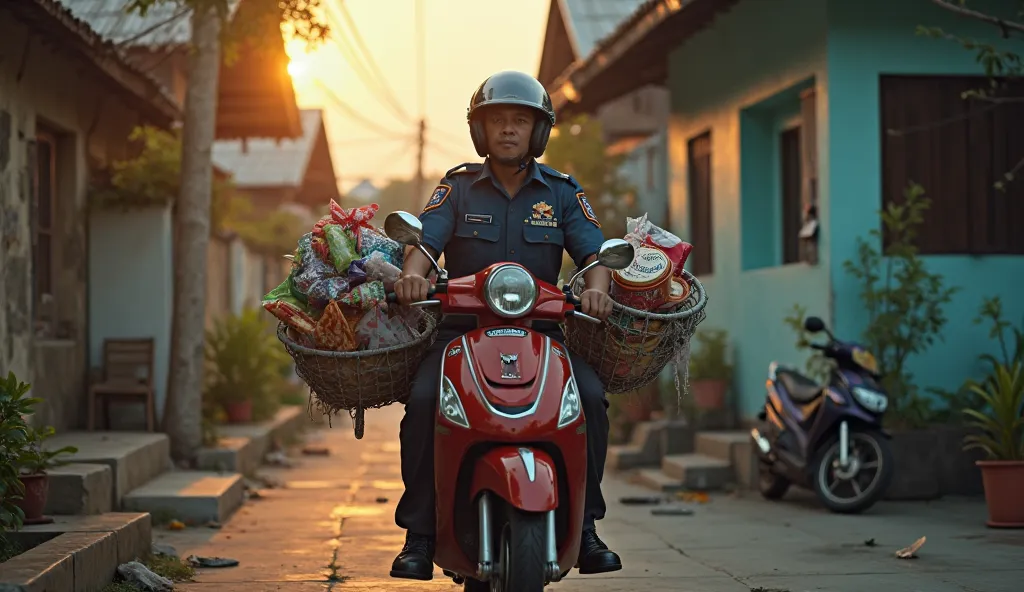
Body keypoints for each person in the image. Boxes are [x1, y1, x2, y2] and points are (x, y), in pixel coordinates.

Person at [390, 70, 622, 581]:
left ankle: (585, 529)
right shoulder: (456, 188)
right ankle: (419, 534)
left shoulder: (562, 192)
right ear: (480, 130)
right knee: (425, 401)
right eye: (498, 120)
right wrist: (411, 278)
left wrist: (598, 288)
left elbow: (593, 253)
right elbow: (424, 246)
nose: (510, 130)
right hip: (461, 334)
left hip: (545, 335)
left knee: (591, 399)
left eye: (522, 120)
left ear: (539, 131)